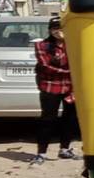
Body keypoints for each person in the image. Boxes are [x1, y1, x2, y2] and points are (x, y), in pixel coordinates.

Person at [32, 16, 79, 164]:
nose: (59, 32)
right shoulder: (42, 46)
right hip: (50, 86)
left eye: (61, 28)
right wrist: (72, 71)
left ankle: (64, 149)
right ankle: (41, 153)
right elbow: (46, 67)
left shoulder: (73, 44)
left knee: (70, 118)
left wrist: (73, 72)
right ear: (50, 30)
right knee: (48, 119)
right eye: (55, 29)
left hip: (70, 87)